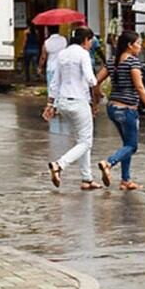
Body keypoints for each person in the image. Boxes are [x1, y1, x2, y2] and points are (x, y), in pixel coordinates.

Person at [95, 30, 145, 191]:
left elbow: (95, 80)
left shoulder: (112, 62)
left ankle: (126, 180)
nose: (140, 47)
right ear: (129, 46)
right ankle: (109, 163)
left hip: (112, 108)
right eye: (138, 44)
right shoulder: (132, 63)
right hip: (127, 110)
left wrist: (97, 96)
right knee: (132, 146)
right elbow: (140, 87)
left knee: (126, 144)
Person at [44, 27, 101, 190]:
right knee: (86, 141)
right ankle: (59, 164)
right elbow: (91, 80)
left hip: (63, 102)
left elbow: (55, 82)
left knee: (82, 141)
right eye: (90, 41)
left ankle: (87, 179)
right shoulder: (83, 54)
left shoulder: (62, 54)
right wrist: (97, 84)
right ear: (85, 40)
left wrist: (50, 104)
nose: (90, 44)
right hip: (79, 101)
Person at [38, 25, 66, 90]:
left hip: (51, 68)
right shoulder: (64, 40)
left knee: (51, 89)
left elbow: (43, 57)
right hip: (62, 67)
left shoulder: (47, 42)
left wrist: (40, 67)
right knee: (61, 88)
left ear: (49, 30)